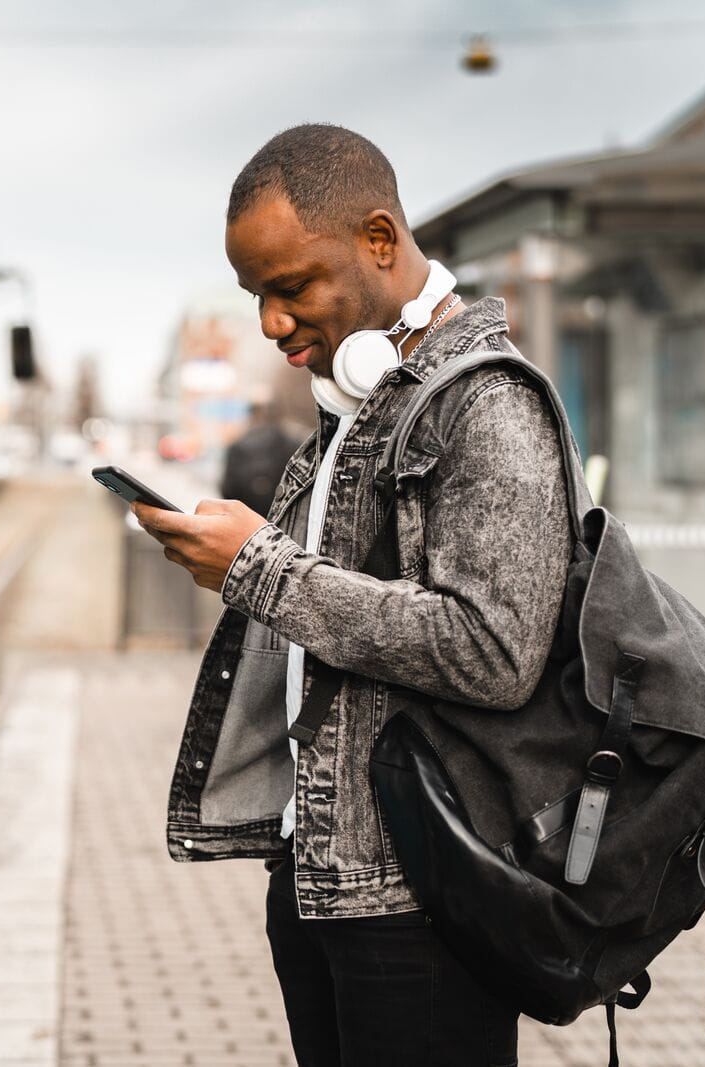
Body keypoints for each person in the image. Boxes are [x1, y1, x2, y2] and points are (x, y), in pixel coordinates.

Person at [131, 124, 571, 1066]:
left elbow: (493, 649)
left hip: (419, 896)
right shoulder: (359, 401)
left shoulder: (487, 403)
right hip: (322, 869)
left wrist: (260, 567)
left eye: (292, 287)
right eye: (257, 296)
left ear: (380, 240)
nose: (272, 323)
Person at [219, 395, 302, 517]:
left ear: (251, 415)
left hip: (249, 522)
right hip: (284, 522)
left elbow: (227, 490)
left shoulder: (237, 447)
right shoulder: (295, 445)